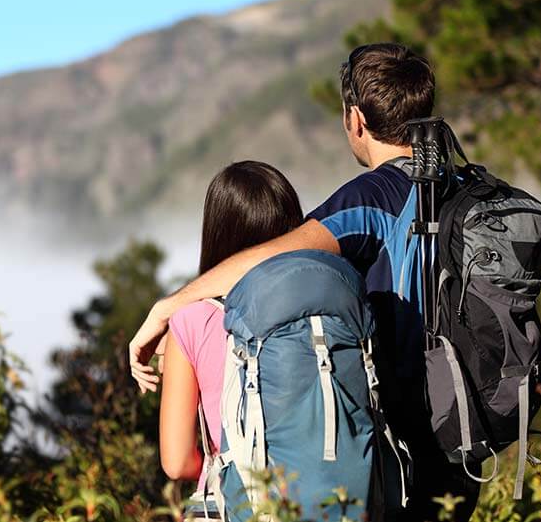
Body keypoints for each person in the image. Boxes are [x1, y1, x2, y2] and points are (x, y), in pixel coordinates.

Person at [131, 43, 481, 522]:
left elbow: (276, 258)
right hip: (470, 435)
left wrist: (168, 307)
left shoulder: (368, 198)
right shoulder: (464, 187)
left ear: (355, 118)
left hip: (399, 446)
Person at [158, 161, 303, 518]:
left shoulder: (192, 320)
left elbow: (176, 463)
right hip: (319, 494)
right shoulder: (322, 307)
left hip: (234, 503)